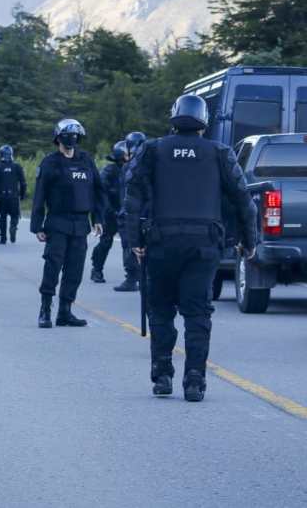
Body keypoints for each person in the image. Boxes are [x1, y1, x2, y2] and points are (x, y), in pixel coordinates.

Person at [124, 95, 257, 402]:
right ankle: (195, 380)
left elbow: (132, 197)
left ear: (174, 118)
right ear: (204, 122)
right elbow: (243, 201)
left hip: (161, 242)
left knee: (160, 310)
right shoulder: (219, 152)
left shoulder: (153, 149)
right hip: (203, 245)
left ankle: (162, 375)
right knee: (197, 313)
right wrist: (249, 241)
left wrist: (135, 241)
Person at [31, 119, 105, 328]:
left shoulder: (86, 160)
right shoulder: (50, 162)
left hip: (81, 224)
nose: (72, 138)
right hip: (57, 222)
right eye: (67, 135)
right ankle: (45, 310)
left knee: (75, 270)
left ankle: (65, 312)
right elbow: (39, 195)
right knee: (53, 266)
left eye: (75, 135)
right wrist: (37, 226)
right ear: (58, 138)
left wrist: (98, 218)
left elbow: (98, 191)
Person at [90, 140, 139, 291]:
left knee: (129, 243)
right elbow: (101, 191)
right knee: (106, 241)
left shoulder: (135, 168)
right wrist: (109, 209)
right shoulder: (110, 170)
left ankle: (132, 276)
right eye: (126, 154)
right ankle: (96, 269)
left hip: (126, 212)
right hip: (110, 212)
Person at [0, 144, 27, 244]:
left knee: (2, 217)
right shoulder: (17, 166)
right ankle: (13, 226)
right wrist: (22, 195)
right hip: (14, 196)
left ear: (1, 154)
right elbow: (23, 182)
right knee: (15, 215)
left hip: (1, 197)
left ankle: (3, 238)